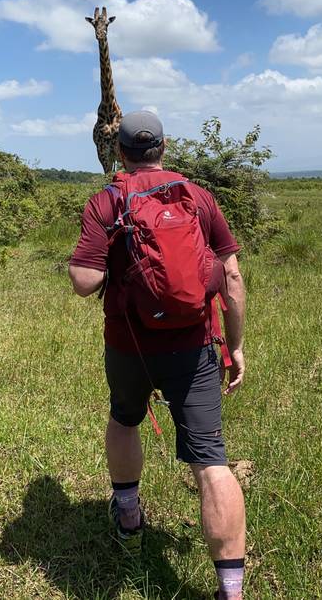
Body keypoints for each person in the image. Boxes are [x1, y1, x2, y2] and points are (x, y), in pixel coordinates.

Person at [69, 111, 246, 600]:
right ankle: (230, 589)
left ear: (118, 151)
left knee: (125, 420)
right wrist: (235, 346)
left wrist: (107, 257)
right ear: (164, 148)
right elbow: (231, 278)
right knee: (211, 460)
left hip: (128, 346)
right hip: (194, 346)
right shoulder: (197, 196)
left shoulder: (107, 200)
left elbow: (84, 282)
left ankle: (128, 516)